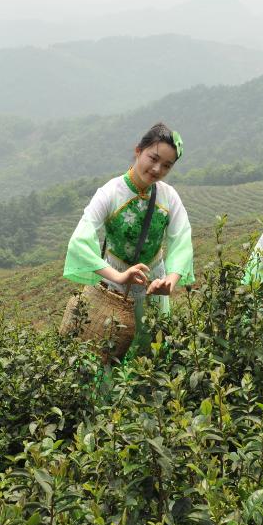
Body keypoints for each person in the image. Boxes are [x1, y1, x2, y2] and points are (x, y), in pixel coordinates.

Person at [63, 122, 194, 359]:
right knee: (105, 352)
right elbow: (79, 241)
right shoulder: (110, 193)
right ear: (138, 151)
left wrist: (170, 282)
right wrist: (119, 276)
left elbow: (182, 240)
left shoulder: (168, 196)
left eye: (166, 165)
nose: (157, 169)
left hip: (154, 285)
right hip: (115, 285)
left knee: (150, 355)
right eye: (153, 158)